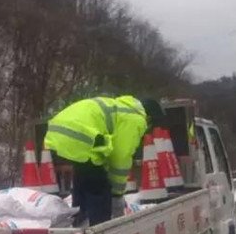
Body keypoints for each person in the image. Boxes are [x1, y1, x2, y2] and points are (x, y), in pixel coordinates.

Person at [44, 95, 165, 226]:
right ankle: (100, 229)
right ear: (148, 118)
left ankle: (80, 222)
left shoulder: (120, 108)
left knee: (84, 177)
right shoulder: (135, 119)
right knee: (100, 187)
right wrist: (117, 194)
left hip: (59, 130)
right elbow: (120, 158)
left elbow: (108, 152)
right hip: (81, 134)